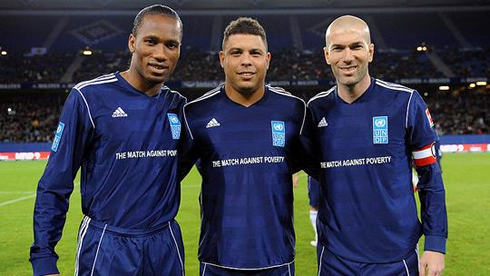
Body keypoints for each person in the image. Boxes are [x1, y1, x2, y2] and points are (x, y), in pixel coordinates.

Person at [29, 5, 186, 276]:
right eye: (151, 41)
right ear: (132, 42)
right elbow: (56, 183)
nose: (161, 54)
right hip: (106, 244)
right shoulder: (89, 98)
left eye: (171, 45)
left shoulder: (178, 107)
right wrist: (44, 258)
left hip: (165, 245)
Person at [306, 15, 448, 276]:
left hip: (396, 258)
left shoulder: (405, 104)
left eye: (356, 46)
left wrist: (435, 243)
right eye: (338, 48)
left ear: (370, 52)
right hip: (335, 259)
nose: (348, 56)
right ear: (327, 55)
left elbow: (431, 177)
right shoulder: (314, 111)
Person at [180, 17, 316, 275]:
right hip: (217, 259)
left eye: (254, 53)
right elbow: (166, 178)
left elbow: (323, 170)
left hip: (277, 258)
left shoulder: (293, 110)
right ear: (222, 58)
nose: (246, 60)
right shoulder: (196, 114)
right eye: (236, 52)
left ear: (267, 59)